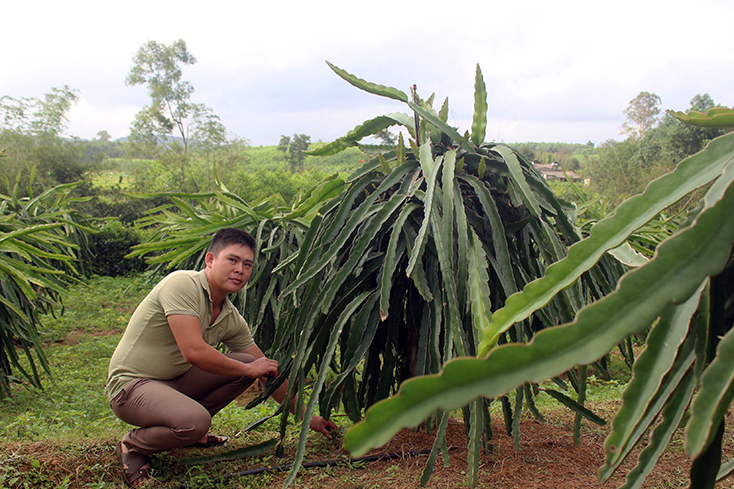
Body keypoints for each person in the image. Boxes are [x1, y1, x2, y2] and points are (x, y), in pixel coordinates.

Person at [106, 228, 336, 487]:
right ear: (210, 260)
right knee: (197, 420)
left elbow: (267, 371)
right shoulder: (182, 284)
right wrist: (248, 371)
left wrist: (307, 418)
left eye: (247, 265)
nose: (240, 270)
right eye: (232, 260)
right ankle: (134, 445)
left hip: (174, 383)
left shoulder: (229, 316)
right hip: (131, 387)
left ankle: (188, 432)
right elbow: (193, 352)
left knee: (251, 364)